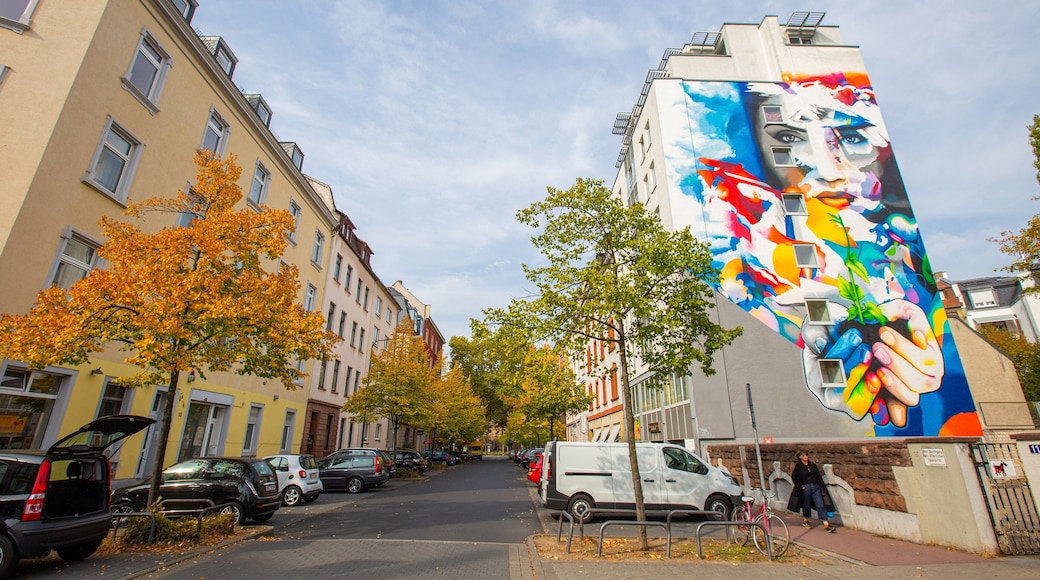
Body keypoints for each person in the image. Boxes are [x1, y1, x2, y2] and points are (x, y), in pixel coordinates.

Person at [787, 450, 836, 532]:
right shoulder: (799, 466)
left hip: (815, 486)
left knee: (820, 504)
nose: (805, 457)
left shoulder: (812, 465)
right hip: (806, 487)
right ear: (800, 457)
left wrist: (820, 486)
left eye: (806, 455)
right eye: (803, 455)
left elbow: (818, 476)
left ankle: (826, 524)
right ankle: (805, 520)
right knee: (807, 504)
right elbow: (795, 477)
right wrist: (801, 486)